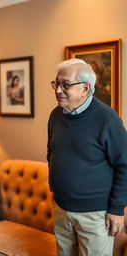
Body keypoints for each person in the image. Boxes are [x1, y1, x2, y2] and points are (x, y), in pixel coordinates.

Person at [47, 58, 127, 256]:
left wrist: (117, 209)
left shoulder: (107, 119)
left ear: (85, 88)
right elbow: (51, 152)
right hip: (61, 207)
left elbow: (124, 164)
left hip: (95, 215)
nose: (58, 90)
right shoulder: (56, 115)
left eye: (65, 84)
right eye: (56, 83)